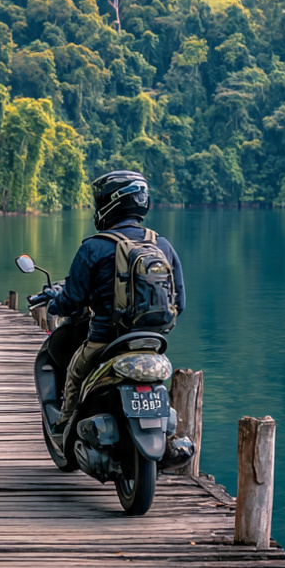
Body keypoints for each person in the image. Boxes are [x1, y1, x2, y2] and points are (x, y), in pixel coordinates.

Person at [43, 171, 185, 429]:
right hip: (153, 342)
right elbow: (180, 303)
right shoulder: (162, 245)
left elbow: (72, 300)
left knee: (75, 375)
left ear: (111, 203)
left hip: (104, 340)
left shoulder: (94, 246)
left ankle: (64, 425)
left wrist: (54, 303)